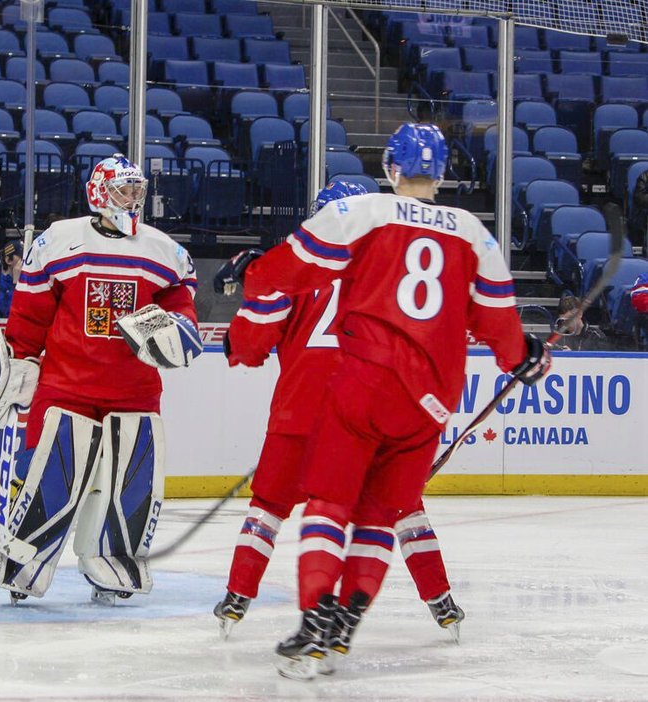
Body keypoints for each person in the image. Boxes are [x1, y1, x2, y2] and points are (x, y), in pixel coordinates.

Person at [228, 123, 550, 679]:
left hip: (365, 384)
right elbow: (499, 324)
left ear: (390, 168)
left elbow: (287, 270)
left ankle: (315, 618)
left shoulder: (370, 212)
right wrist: (524, 355)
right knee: (379, 516)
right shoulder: (474, 232)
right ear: (444, 172)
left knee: (328, 503)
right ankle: (349, 618)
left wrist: (249, 273)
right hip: (431, 401)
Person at [213, 181, 465, 643]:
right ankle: (441, 601)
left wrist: (237, 333)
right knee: (401, 510)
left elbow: (250, 342)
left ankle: (237, 596)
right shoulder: (392, 279)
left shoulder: (297, 273)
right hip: (369, 418)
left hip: (298, 415)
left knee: (268, 508)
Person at [0, 154, 201, 605]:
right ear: (99, 193)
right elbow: (31, 310)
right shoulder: (61, 240)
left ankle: (114, 567)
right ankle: (24, 563)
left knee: (130, 483)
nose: (132, 199)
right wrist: (20, 358)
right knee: (50, 474)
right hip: (67, 386)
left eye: (137, 190)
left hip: (134, 391)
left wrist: (173, 330)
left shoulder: (162, 250)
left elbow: (182, 309)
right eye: (123, 190)